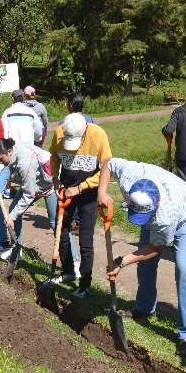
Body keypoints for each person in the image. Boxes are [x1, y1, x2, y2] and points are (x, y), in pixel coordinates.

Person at [98, 156, 186, 355]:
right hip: (159, 210)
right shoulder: (130, 175)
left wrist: (121, 263)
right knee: (145, 264)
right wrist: (101, 192)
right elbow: (108, 163)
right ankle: (145, 308)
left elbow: (154, 249)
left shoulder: (165, 216)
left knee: (184, 269)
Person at [49, 113, 112, 298]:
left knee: (85, 240)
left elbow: (107, 167)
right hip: (66, 188)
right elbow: (54, 155)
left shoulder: (98, 135)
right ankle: (68, 270)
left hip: (89, 193)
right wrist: (55, 177)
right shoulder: (60, 132)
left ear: (84, 131)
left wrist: (80, 188)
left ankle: (85, 283)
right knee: (60, 232)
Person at [0, 137, 56, 259]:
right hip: (33, 184)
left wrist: (12, 217)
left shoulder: (24, 162)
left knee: (56, 223)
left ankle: (73, 262)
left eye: (0, 159)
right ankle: (16, 251)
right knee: (14, 209)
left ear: (9, 151)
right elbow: (26, 184)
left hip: (50, 184)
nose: (0, 162)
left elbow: (29, 194)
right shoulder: (11, 154)